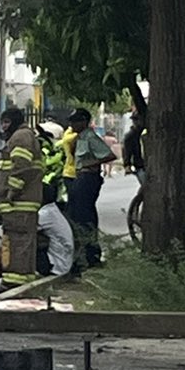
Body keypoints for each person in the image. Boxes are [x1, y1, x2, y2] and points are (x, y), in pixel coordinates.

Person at [0, 107, 44, 285]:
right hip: (21, 203)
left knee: (16, 243)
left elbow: (22, 166)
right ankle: (23, 279)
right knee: (22, 242)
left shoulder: (20, 137)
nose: (3, 127)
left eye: (6, 122)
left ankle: (14, 281)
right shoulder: (25, 136)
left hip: (18, 203)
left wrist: (11, 193)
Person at [63, 108, 114, 270]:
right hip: (79, 177)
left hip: (88, 177)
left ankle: (90, 255)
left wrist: (89, 164)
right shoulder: (79, 138)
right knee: (76, 216)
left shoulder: (90, 137)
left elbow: (109, 155)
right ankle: (83, 254)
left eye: (75, 121)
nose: (71, 124)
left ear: (84, 121)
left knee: (84, 217)